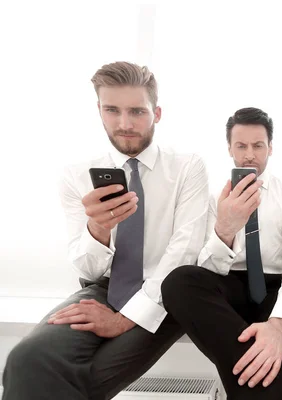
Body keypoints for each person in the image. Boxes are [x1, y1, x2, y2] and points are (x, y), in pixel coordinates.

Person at [2, 62, 210, 400]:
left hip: (170, 294)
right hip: (106, 289)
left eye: (136, 112)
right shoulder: (75, 175)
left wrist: (123, 320)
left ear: (156, 113)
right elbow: (88, 269)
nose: (124, 124)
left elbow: (184, 253)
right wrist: (98, 227)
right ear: (99, 111)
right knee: (25, 360)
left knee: (77, 383)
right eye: (112, 110)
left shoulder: (188, 167)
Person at [161, 107, 282, 400]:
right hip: (229, 285)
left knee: (246, 367)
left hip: (275, 289)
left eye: (258, 145)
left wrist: (279, 325)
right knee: (178, 282)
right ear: (229, 148)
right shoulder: (212, 200)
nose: (249, 155)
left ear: (270, 147)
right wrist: (225, 228)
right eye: (241, 146)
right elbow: (206, 269)